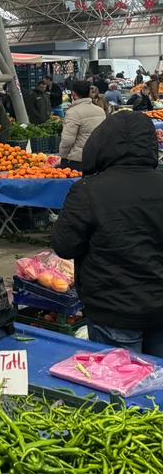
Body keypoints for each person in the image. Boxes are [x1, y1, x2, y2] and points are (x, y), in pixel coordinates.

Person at [52, 113, 163, 356]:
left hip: (113, 310)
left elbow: (64, 246)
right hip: (158, 306)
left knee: (119, 388)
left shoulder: (88, 190)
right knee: (157, 388)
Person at [58, 80, 106, 172]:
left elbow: (68, 140)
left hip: (77, 160)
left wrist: (62, 156)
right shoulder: (100, 110)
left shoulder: (73, 112)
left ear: (74, 94)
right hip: (97, 157)